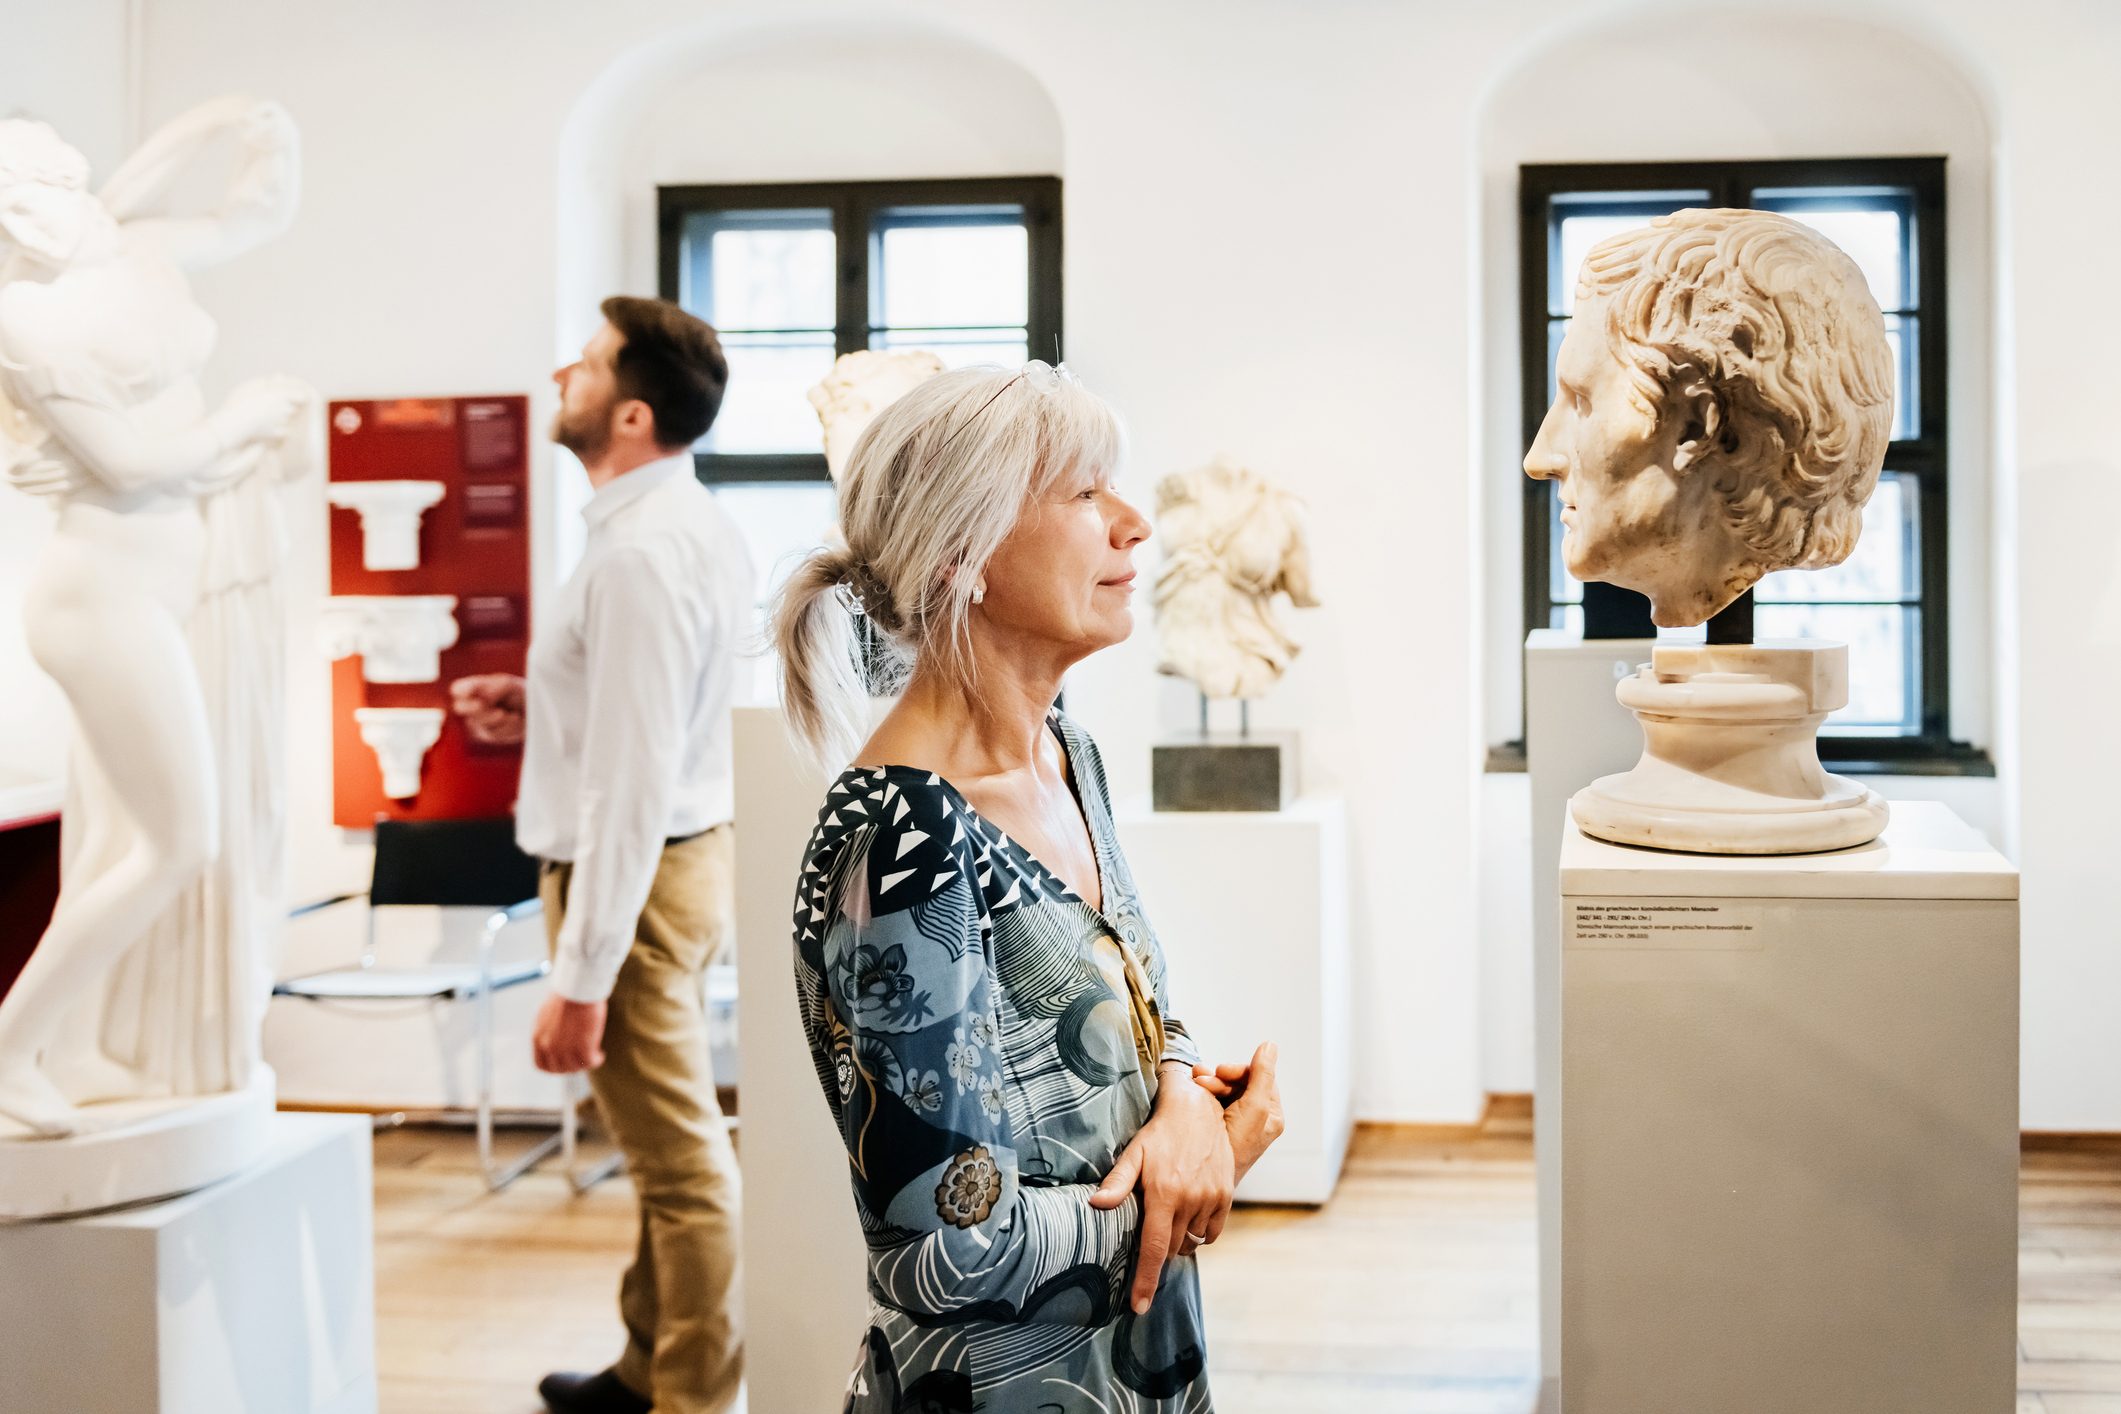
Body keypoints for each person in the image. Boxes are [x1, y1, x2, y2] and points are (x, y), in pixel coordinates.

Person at [772, 362, 1285, 1412]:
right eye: (1087, 493)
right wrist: (1208, 1171)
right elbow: (945, 1251)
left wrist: (1185, 1095)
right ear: (963, 553)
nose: (1134, 524)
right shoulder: (898, 835)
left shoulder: (1068, 751)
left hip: (1136, 1369)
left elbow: (1138, 991)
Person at [451, 296, 752, 1414]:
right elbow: (644, 727)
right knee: (663, 1156)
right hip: (673, 859)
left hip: (637, 876)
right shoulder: (671, 528)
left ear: (631, 411)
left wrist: (579, 984)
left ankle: (694, 1397)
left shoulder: (641, 555)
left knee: (681, 1167)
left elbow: (631, 785)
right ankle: (643, 1367)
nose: (556, 377)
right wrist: (538, 703)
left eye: (580, 367)